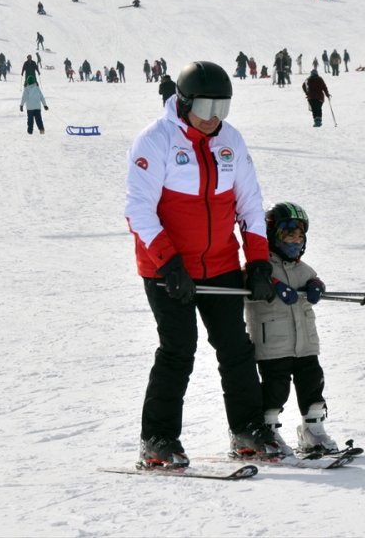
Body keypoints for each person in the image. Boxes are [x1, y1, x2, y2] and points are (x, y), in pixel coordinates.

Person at [124, 60, 280, 468]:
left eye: (223, 109)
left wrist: (259, 262)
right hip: (168, 270)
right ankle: (158, 439)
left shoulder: (231, 141)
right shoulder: (155, 141)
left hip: (221, 263)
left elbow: (250, 204)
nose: (215, 119)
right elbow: (138, 209)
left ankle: (248, 429)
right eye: (207, 108)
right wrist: (168, 262)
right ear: (185, 100)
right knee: (178, 350)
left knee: (236, 348)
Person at [244, 202, 336, 456]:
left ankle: (313, 430)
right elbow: (245, 281)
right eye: (288, 235)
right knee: (276, 388)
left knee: (313, 384)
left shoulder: (303, 269)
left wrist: (317, 284)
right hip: (273, 344)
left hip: (305, 343)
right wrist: (270, 284)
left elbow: (314, 279)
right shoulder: (260, 269)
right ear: (273, 237)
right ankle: (269, 431)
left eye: (299, 235)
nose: (295, 241)